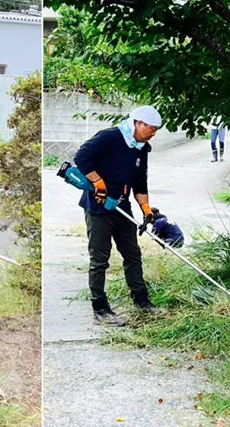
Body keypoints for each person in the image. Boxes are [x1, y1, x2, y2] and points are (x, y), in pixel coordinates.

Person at [73, 105, 165, 327]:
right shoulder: (110, 137)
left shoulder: (141, 148)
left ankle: (142, 301)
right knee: (99, 259)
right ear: (138, 123)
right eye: (151, 128)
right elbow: (81, 157)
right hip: (98, 206)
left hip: (122, 206)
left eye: (156, 130)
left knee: (132, 254)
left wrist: (145, 208)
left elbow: (140, 181)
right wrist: (97, 181)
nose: (153, 133)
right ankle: (100, 308)